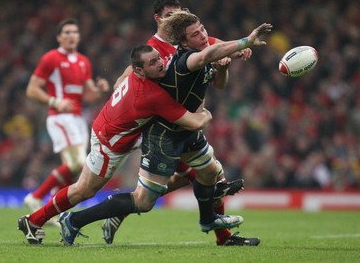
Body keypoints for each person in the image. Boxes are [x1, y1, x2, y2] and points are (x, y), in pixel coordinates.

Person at [58, 11, 272, 246]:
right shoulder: (185, 60)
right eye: (195, 34)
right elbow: (206, 58)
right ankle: (75, 219)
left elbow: (219, 84)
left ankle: (209, 221)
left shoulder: (200, 53)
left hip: (186, 133)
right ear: (183, 43)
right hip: (165, 137)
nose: (203, 35)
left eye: (202, 29)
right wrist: (246, 41)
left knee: (210, 171)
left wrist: (221, 69)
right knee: (143, 202)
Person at [17, 44, 213, 244]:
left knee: (180, 165)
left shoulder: (140, 74)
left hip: (127, 131)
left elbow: (130, 71)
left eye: (158, 58)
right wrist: (205, 111)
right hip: (110, 142)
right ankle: (33, 221)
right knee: (84, 190)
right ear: (140, 70)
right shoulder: (151, 95)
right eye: (153, 62)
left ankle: (123, 207)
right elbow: (196, 122)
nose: (160, 64)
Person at [102, 0, 252, 246]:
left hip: (184, 127)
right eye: (170, 14)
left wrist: (237, 49)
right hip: (166, 129)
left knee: (197, 177)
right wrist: (124, 92)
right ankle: (220, 233)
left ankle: (124, 209)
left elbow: (214, 49)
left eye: (178, 13)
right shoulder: (153, 48)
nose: (176, 19)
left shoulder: (190, 39)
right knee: (208, 176)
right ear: (158, 19)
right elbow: (126, 78)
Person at [22, 18, 110, 225]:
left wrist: (99, 90)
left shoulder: (83, 61)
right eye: (67, 32)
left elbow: (88, 95)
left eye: (75, 32)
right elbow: (32, 90)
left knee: (75, 167)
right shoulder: (50, 58)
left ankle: (53, 205)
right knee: (77, 163)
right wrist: (55, 101)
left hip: (78, 119)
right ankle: (36, 197)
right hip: (60, 117)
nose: (72, 35)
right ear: (59, 37)